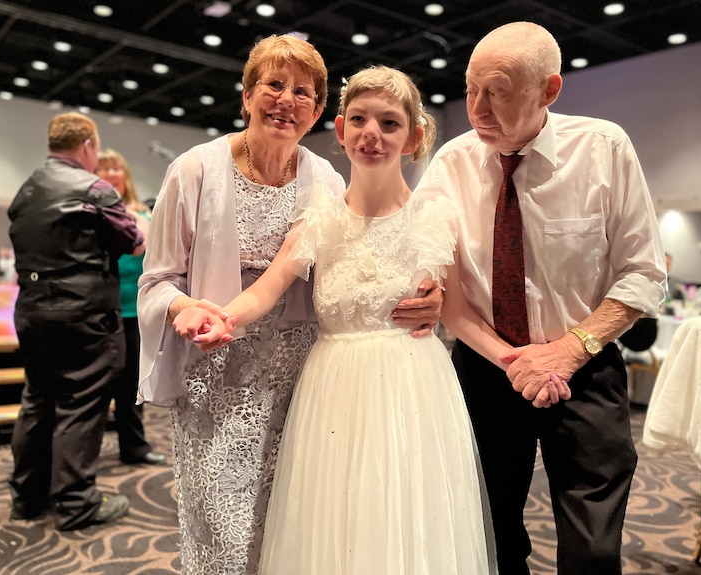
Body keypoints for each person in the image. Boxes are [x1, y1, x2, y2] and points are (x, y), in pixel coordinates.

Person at [174, 65, 567, 575]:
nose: (371, 134)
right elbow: (266, 290)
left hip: (413, 389)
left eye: (389, 123)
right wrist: (217, 317)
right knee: (335, 523)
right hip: (332, 390)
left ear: (413, 137)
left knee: (406, 517)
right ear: (339, 131)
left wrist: (515, 360)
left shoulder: (434, 216)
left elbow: (457, 312)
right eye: (358, 119)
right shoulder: (319, 215)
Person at [136, 36, 443, 575]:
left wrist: (428, 296)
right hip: (218, 370)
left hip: (302, 382)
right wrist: (186, 307)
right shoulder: (194, 171)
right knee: (223, 529)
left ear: (320, 111)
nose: (286, 100)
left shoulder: (323, 180)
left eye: (303, 92)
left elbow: (360, 255)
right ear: (249, 95)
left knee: (294, 526)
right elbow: (156, 280)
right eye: (274, 85)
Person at [415, 22, 666, 574]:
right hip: (485, 368)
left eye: (498, 91)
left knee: (593, 546)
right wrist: (511, 357)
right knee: (489, 532)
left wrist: (568, 351)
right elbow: (438, 284)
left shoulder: (603, 149)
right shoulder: (451, 165)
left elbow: (643, 273)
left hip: (585, 363)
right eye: (470, 87)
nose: (477, 107)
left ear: (549, 90)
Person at [8, 112, 144, 531]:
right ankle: (76, 503)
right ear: (87, 146)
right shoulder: (93, 188)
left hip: (30, 311)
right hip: (83, 316)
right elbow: (134, 244)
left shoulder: (26, 190)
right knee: (81, 405)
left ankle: (28, 498)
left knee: (37, 401)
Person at [94, 148, 165, 466]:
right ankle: (85, 453)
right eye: (104, 168)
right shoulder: (93, 211)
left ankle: (133, 448)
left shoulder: (143, 212)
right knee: (99, 384)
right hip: (103, 309)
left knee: (132, 384)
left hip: (136, 310)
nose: (111, 174)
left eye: (116, 168)